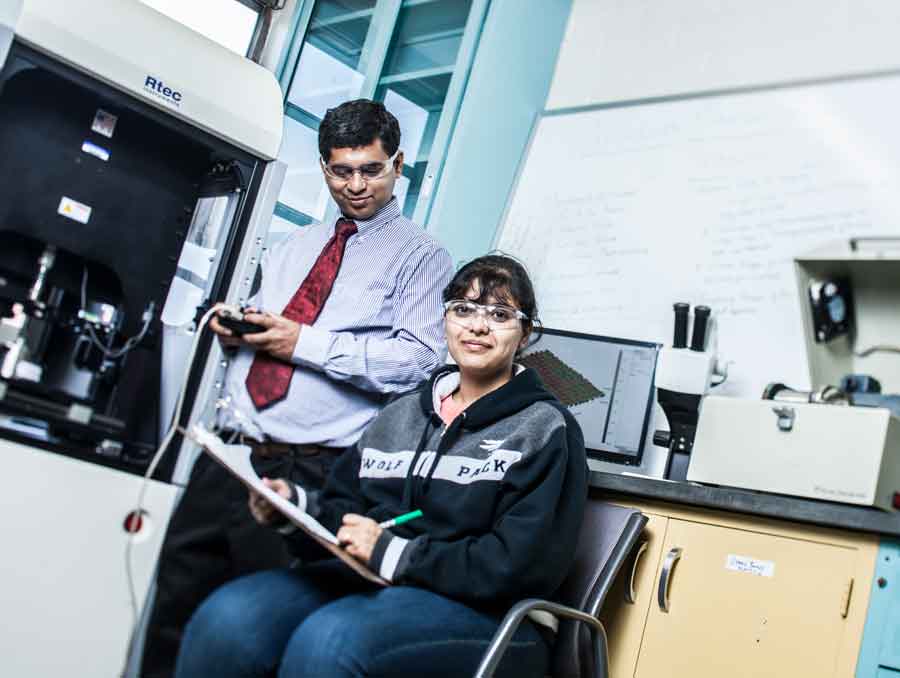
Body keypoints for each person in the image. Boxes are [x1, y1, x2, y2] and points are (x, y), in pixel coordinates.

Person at [140, 99, 454, 678]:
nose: (356, 184)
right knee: (173, 607)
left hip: (316, 473)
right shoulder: (291, 248)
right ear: (323, 166)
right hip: (233, 455)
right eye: (341, 170)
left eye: (371, 169)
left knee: (254, 633)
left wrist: (299, 343)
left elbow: (418, 362)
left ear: (398, 165)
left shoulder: (422, 257)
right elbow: (273, 329)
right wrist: (241, 330)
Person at [174, 254, 589, 678]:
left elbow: (518, 566)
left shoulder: (545, 429)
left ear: (525, 334)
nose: (478, 326)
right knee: (228, 620)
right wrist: (293, 507)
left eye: (500, 314)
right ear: (444, 320)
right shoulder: (401, 412)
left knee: (331, 642)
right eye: (463, 309)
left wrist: (394, 553)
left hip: (490, 617)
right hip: (374, 585)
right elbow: (344, 510)